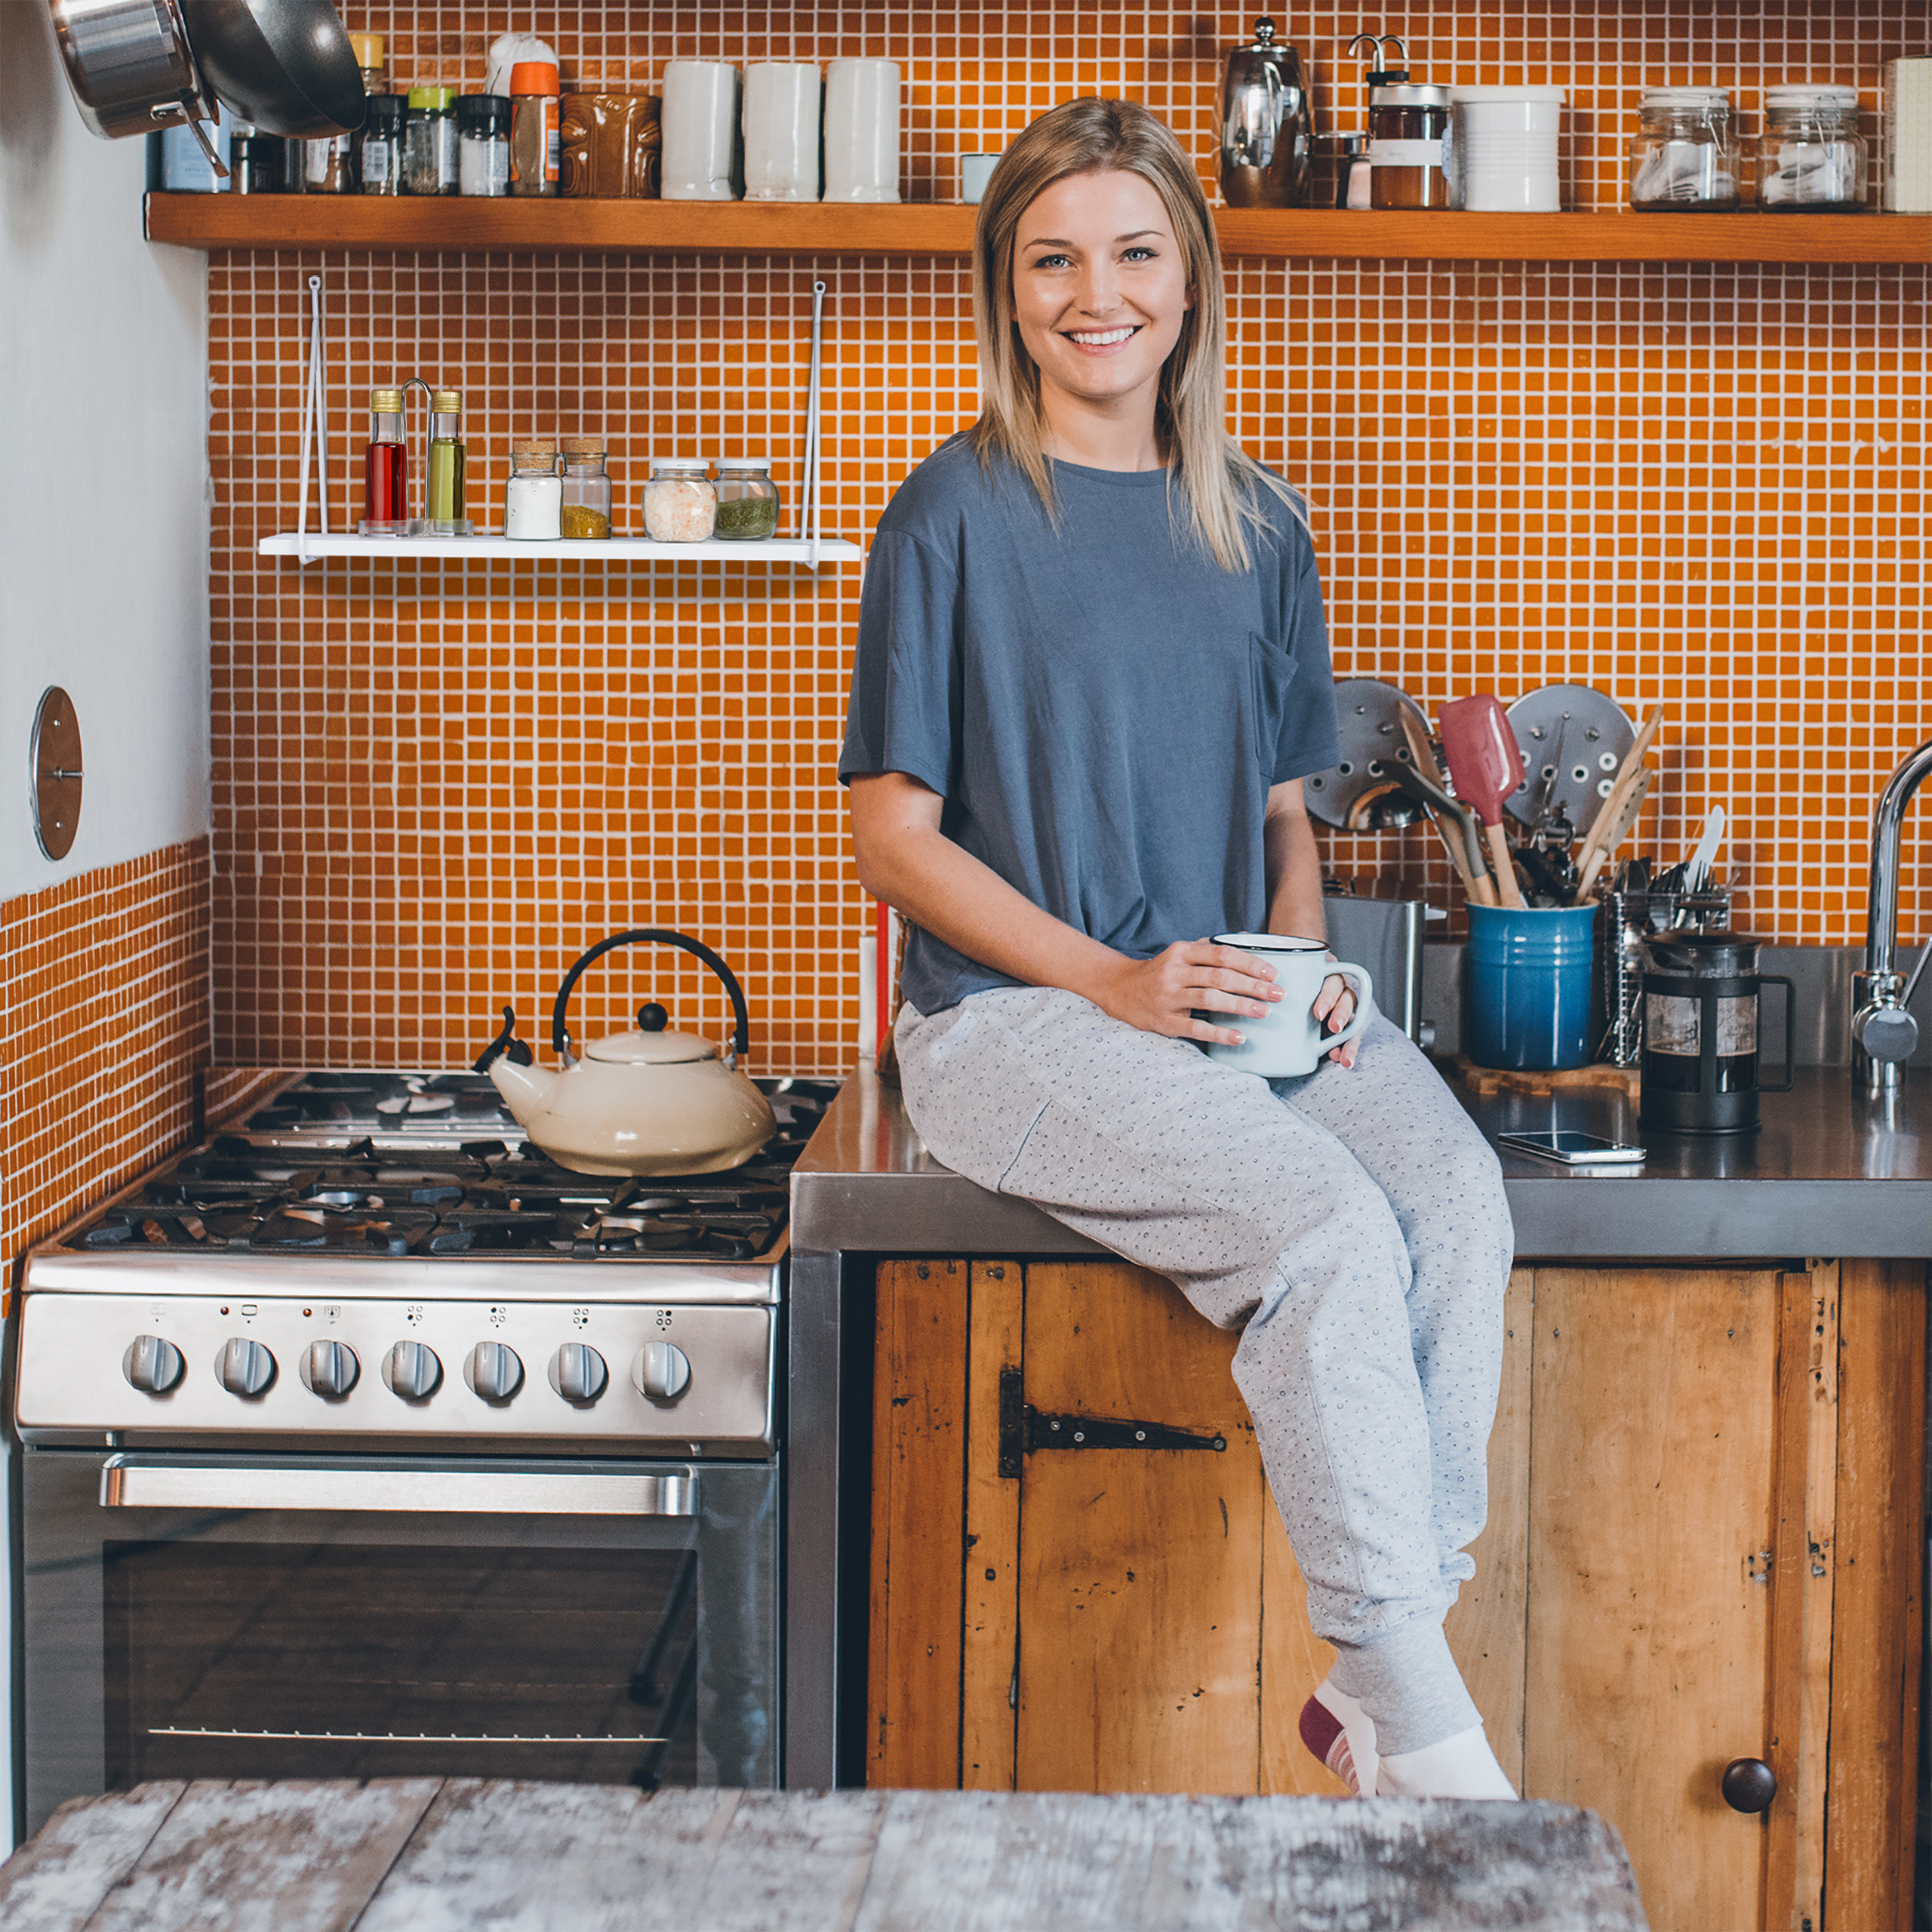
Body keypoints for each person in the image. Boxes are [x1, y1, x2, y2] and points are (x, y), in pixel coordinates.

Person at [838, 96, 1515, 1801]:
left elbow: (1283, 811)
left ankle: (1376, 1669)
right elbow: (893, 842)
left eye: (1134, 253)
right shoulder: (948, 517)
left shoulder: (1259, 526)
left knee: (1451, 1201)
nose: (1097, 296)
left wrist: (1298, 975)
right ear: (1005, 289)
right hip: (1013, 1023)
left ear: (1190, 279)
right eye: (1051, 260)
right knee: (1322, 1229)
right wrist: (1114, 982)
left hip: (1219, 998)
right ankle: (1420, 1726)